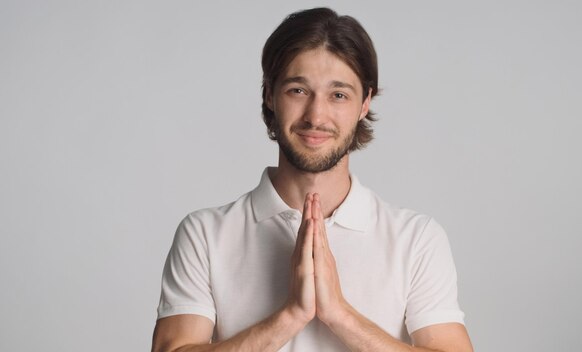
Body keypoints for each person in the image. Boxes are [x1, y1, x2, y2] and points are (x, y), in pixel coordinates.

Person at [151, 7, 473, 352]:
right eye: (298, 91)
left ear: (364, 103)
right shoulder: (204, 234)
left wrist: (340, 315)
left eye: (338, 95)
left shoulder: (417, 238)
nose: (316, 116)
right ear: (269, 94)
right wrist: (290, 316)